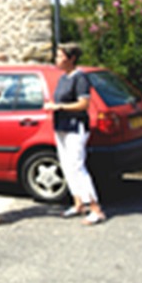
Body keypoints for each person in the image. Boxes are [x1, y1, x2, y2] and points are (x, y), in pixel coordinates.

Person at [44, 43, 106, 225]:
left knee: (78, 166)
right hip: (61, 127)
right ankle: (78, 203)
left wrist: (59, 107)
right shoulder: (63, 78)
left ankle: (95, 208)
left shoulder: (80, 78)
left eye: (60, 56)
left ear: (71, 59)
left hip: (75, 127)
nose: (56, 59)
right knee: (66, 165)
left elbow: (83, 104)